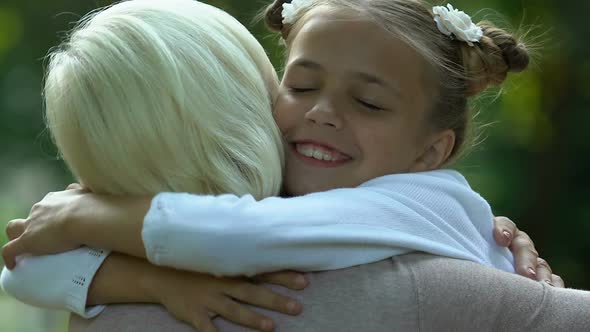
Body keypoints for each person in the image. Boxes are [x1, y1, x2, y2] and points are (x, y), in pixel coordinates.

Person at [3, 0, 585, 331]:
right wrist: (150, 279)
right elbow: (21, 271)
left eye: (369, 103)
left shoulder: (417, 206)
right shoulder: (292, 204)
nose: (323, 114)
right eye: (302, 86)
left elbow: (240, 236)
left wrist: (88, 219)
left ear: (431, 153)